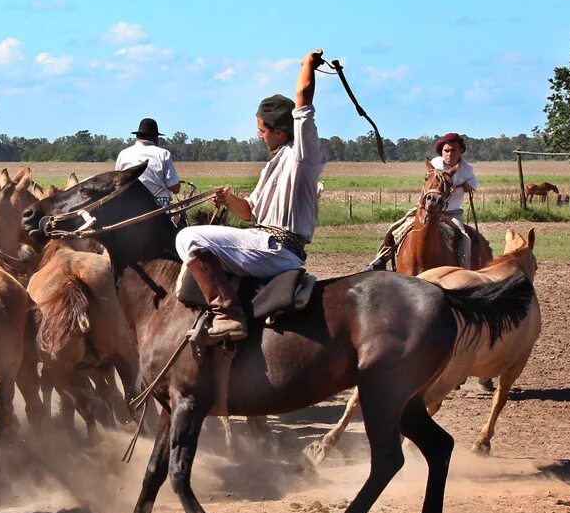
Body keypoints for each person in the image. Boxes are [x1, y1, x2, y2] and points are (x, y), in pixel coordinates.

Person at [175, 50, 328, 343]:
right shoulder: (274, 163)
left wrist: (307, 64)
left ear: (280, 132)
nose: (259, 135)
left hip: (275, 249)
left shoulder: (302, 155)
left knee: (187, 239)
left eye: (262, 130)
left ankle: (227, 316)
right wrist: (230, 201)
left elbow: (304, 102)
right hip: (265, 241)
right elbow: (250, 213)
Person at [366, 131, 478, 270]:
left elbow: (473, 184)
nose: (449, 154)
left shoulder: (467, 169)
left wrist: (468, 186)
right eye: (446, 150)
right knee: (396, 228)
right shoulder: (436, 163)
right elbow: (431, 179)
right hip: (428, 208)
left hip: (452, 212)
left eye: (453, 150)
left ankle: (464, 269)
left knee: (465, 239)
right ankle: (380, 260)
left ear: (460, 151)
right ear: (442, 151)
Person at [115, 118, 181, 207]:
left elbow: (117, 183)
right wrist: (177, 186)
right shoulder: (163, 154)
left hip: (129, 205)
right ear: (154, 137)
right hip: (159, 204)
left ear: (138, 137)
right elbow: (173, 187)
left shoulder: (123, 154)